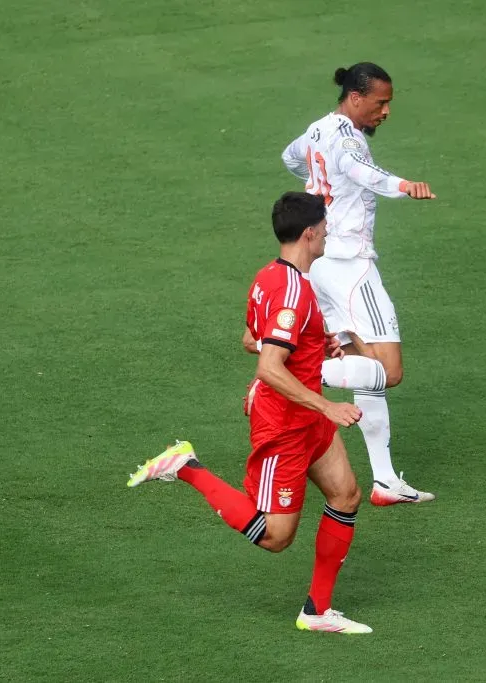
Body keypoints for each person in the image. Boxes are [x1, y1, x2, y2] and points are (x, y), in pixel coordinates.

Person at [127, 192, 373, 634]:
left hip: (306, 415)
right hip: (285, 423)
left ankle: (317, 611)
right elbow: (269, 367)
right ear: (309, 233)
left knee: (346, 495)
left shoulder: (269, 277)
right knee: (276, 537)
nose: (328, 232)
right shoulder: (293, 292)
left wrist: (313, 345)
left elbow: (251, 339)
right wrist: (329, 405)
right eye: (324, 226)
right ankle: (186, 466)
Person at [280, 62, 437, 506]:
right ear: (355, 97)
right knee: (387, 370)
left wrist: (319, 184)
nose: (385, 111)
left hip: (321, 263)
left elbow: (291, 157)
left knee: (359, 363)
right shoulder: (348, 138)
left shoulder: (317, 129)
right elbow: (360, 170)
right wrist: (404, 185)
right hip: (351, 266)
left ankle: (385, 481)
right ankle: (282, 378)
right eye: (380, 103)